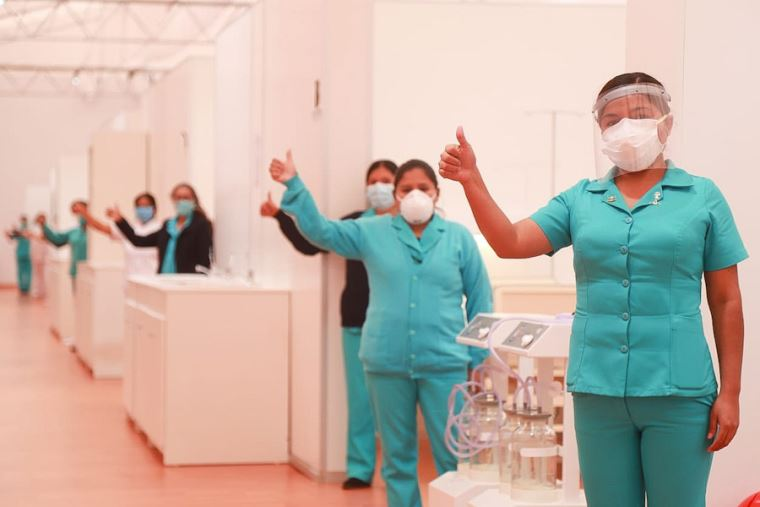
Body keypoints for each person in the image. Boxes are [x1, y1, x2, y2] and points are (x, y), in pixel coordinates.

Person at [438, 72, 747, 507]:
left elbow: (726, 300)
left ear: (666, 122)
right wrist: (472, 181)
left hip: (679, 392)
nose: (626, 127)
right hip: (598, 392)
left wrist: (731, 393)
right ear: (600, 129)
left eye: (639, 115)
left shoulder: (702, 197)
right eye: (612, 120)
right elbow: (510, 242)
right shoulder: (580, 200)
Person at [270, 152, 492, 507]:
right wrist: (294, 184)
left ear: (436, 192)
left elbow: (481, 299)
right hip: (386, 362)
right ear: (396, 195)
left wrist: (478, 359)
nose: (415, 194)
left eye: (423, 188)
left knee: (454, 458)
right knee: (397, 459)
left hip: (446, 362)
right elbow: (321, 232)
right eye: (407, 188)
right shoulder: (371, 231)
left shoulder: (459, 238)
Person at [260, 160, 398, 490]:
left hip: (395, 324)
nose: (378, 186)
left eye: (386, 180)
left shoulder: (406, 226)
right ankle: (360, 469)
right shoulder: (355, 224)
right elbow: (313, 241)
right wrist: (280, 215)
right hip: (356, 320)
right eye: (373, 181)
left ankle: (398, 473)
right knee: (360, 401)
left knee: (396, 405)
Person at [112, 183, 213, 274]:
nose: (182, 201)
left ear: (194, 200)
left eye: (186, 198)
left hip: (188, 281)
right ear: (173, 200)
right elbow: (139, 241)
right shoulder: (168, 226)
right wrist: (120, 220)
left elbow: (205, 259)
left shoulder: (201, 225)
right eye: (178, 198)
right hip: (164, 280)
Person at [80, 192, 161, 277]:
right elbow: (102, 228)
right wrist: (84, 213)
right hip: (131, 278)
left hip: (153, 279)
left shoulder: (160, 229)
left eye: (146, 206)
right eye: (139, 206)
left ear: (154, 209)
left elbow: (140, 241)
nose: (142, 209)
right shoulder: (130, 228)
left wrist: (120, 220)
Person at [36, 201, 89, 282]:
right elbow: (58, 240)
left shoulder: (95, 234)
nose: (80, 215)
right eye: (77, 213)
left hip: (89, 273)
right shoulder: (75, 232)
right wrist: (43, 225)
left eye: (81, 211)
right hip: (76, 273)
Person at [5, 215, 32, 295]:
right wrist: (8, 233)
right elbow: (11, 238)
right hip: (24, 254)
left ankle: (24, 288)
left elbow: (18, 235)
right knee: (24, 271)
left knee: (23, 271)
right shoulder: (23, 230)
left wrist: (13, 231)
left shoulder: (24, 230)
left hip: (23, 254)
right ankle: (24, 288)